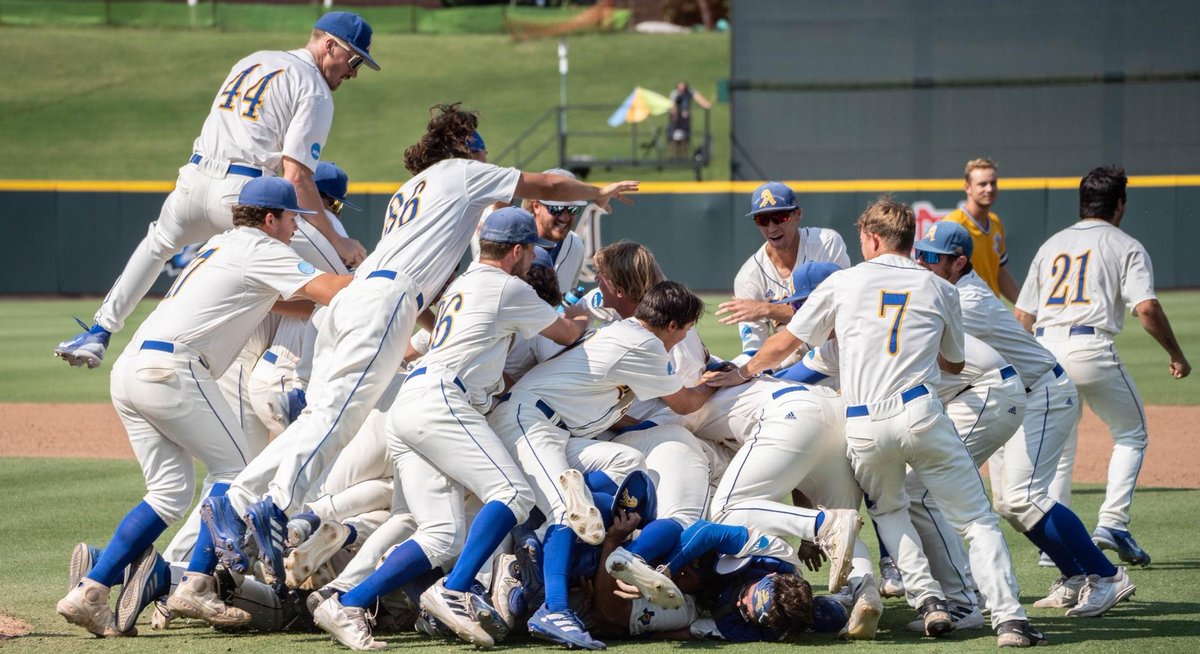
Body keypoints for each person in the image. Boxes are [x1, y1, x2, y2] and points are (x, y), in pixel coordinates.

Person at [201, 103, 639, 597]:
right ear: (462, 148)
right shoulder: (462, 174)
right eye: (479, 148)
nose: (486, 158)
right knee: (338, 418)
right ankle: (278, 506)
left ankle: (237, 498)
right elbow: (551, 186)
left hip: (364, 298)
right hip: (386, 300)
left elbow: (425, 287)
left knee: (321, 415)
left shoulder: (408, 190)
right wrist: (596, 192)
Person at [707, 197, 1045, 647]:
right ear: (909, 241)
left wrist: (741, 372)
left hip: (864, 423)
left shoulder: (844, 283)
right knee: (975, 519)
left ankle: (929, 600)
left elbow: (785, 343)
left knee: (889, 511)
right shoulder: (941, 288)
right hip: (921, 412)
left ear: (870, 238)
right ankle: (1010, 620)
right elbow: (953, 362)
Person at [55, 177, 353, 638]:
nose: (297, 226)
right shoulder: (260, 246)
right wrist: (391, 281)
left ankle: (91, 590)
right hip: (175, 369)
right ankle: (194, 584)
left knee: (168, 493)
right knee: (238, 475)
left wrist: (317, 307)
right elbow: (332, 289)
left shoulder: (223, 243)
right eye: (293, 217)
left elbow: (285, 302)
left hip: (134, 367)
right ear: (270, 218)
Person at [311, 208, 589, 650]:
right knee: (513, 495)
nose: (533, 255)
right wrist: (586, 310)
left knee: (440, 533)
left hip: (414, 398)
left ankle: (348, 600)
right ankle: (455, 589)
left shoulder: (465, 281)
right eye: (531, 248)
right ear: (517, 250)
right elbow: (566, 334)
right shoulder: (507, 286)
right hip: (444, 399)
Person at [54, 11, 378, 369]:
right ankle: (325, 376)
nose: (352, 71)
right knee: (347, 283)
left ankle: (99, 332)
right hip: (245, 197)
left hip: (192, 182)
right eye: (353, 59)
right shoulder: (315, 90)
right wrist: (339, 241)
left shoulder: (254, 60)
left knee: (158, 244)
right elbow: (297, 177)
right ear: (329, 45)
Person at [917, 220, 1137, 618]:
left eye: (932, 258)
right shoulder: (950, 292)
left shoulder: (968, 303)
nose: (922, 262)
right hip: (1016, 394)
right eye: (919, 254)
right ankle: (1073, 576)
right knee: (1008, 503)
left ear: (958, 262)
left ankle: (1107, 577)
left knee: (1025, 497)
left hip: (1043, 393)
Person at [1014, 166, 1190, 567]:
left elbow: (1023, 316)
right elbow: (1145, 307)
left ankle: (1052, 544)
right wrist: (1176, 354)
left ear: (1082, 202)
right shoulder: (1124, 244)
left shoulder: (1050, 245)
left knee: (1060, 447)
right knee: (1132, 433)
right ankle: (1112, 523)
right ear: (1120, 204)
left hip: (1044, 350)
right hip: (1089, 346)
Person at [717, 182, 850, 366]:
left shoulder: (825, 244)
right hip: (792, 366)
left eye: (779, 217)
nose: (771, 228)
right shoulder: (749, 277)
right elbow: (753, 349)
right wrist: (729, 372)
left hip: (839, 356)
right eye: (762, 220)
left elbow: (839, 313)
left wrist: (769, 310)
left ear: (797, 214)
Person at [944, 158, 1020, 302]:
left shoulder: (995, 222)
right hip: (965, 308)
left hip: (991, 308)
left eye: (993, 183)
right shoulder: (953, 224)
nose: (989, 189)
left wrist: (1023, 305)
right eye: (982, 184)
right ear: (968, 187)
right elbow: (939, 272)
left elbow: (1000, 272)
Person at [667, 81, 712, 160]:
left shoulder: (690, 92)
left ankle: (684, 156)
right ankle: (672, 157)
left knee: (685, 137)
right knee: (673, 138)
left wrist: (705, 104)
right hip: (676, 118)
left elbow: (698, 98)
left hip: (685, 118)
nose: (681, 89)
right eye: (679, 87)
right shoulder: (674, 94)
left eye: (683, 87)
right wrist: (674, 114)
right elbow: (672, 105)